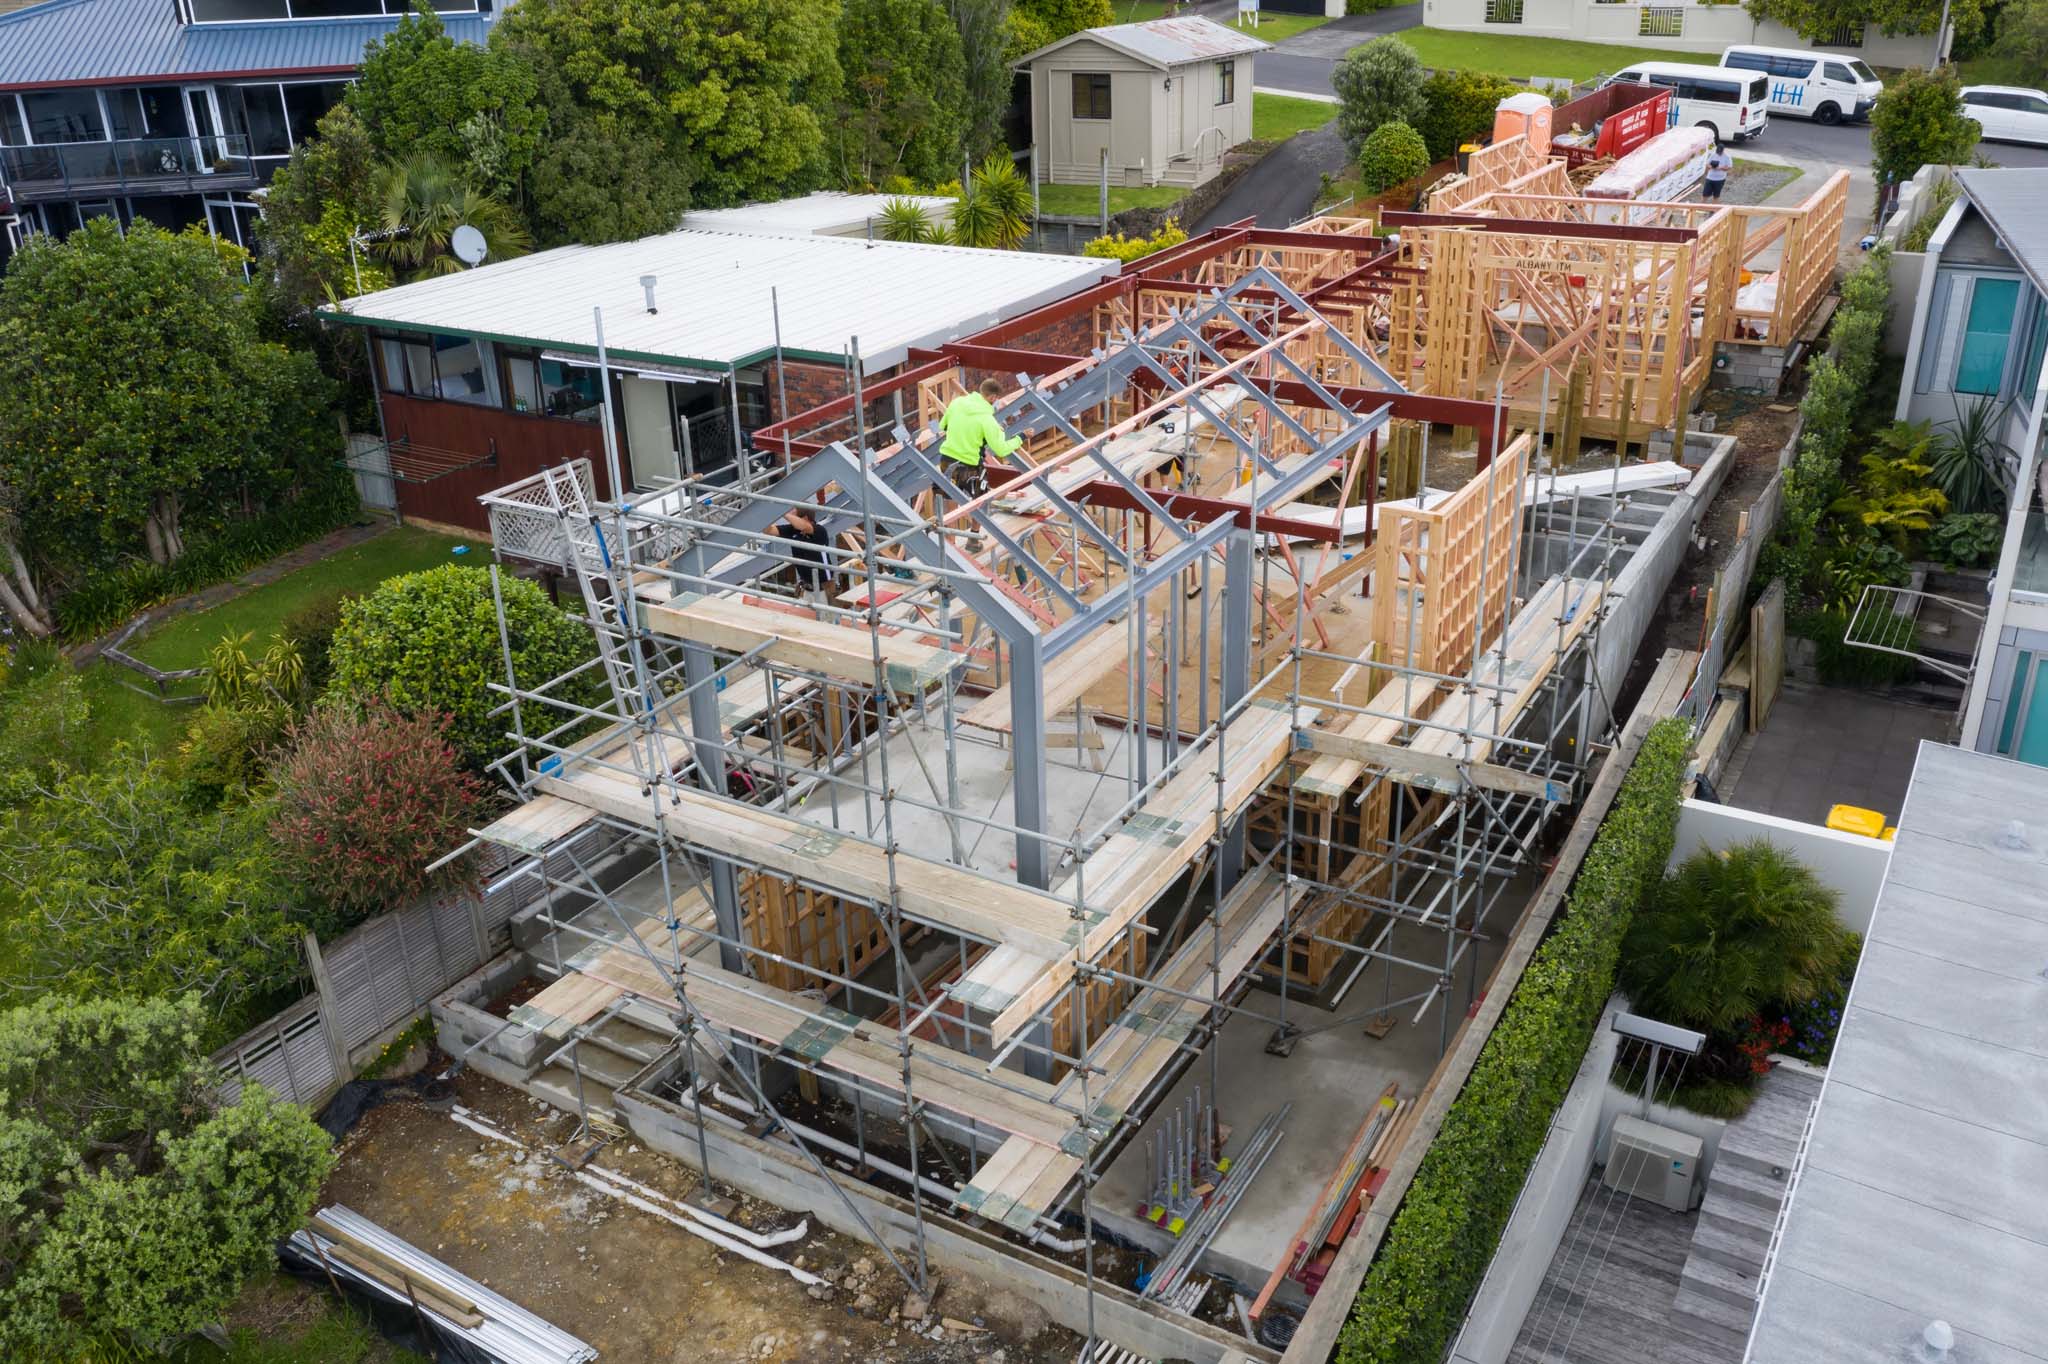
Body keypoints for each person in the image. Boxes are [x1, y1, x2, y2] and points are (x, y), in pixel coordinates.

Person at [938, 378, 1023, 499]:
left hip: (946, 462)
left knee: (952, 502)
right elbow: (1001, 450)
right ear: (993, 398)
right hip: (970, 467)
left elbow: (943, 426)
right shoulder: (987, 419)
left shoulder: (957, 403)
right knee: (982, 505)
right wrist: (1020, 437)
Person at [773, 505, 832, 605]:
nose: (791, 519)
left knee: (825, 619)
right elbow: (770, 531)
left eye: (794, 516)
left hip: (824, 588)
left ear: (804, 518)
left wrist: (782, 512)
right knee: (805, 618)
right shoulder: (793, 530)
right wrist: (765, 518)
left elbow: (804, 526)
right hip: (806, 587)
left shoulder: (819, 530)